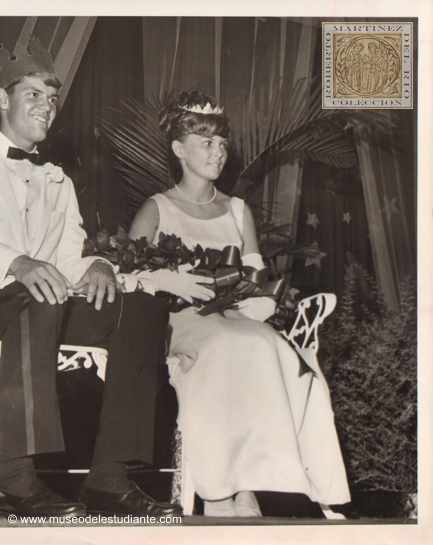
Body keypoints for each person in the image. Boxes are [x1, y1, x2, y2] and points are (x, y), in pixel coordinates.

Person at [0, 36, 180, 519]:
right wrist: (18, 262)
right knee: (34, 290)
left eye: (52, 97)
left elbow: (68, 257)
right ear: (3, 99)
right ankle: (15, 482)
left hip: (45, 304)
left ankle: (108, 477)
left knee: (141, 307)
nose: (47, 107)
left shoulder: (58, 180)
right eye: (34, 95)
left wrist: (100, 266)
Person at [128, 91, 351, 517]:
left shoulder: (237, 210)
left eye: (222, 144)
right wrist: (167, 279)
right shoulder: (156, 208)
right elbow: (129, 279)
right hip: (181, 322)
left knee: (268, 344)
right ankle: (217, 489)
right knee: (232, 343)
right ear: (179, 149)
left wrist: (259, 301)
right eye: (206, 143)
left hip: (235, 318)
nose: (218, 153)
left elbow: (254, 275)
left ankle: (248, 482)